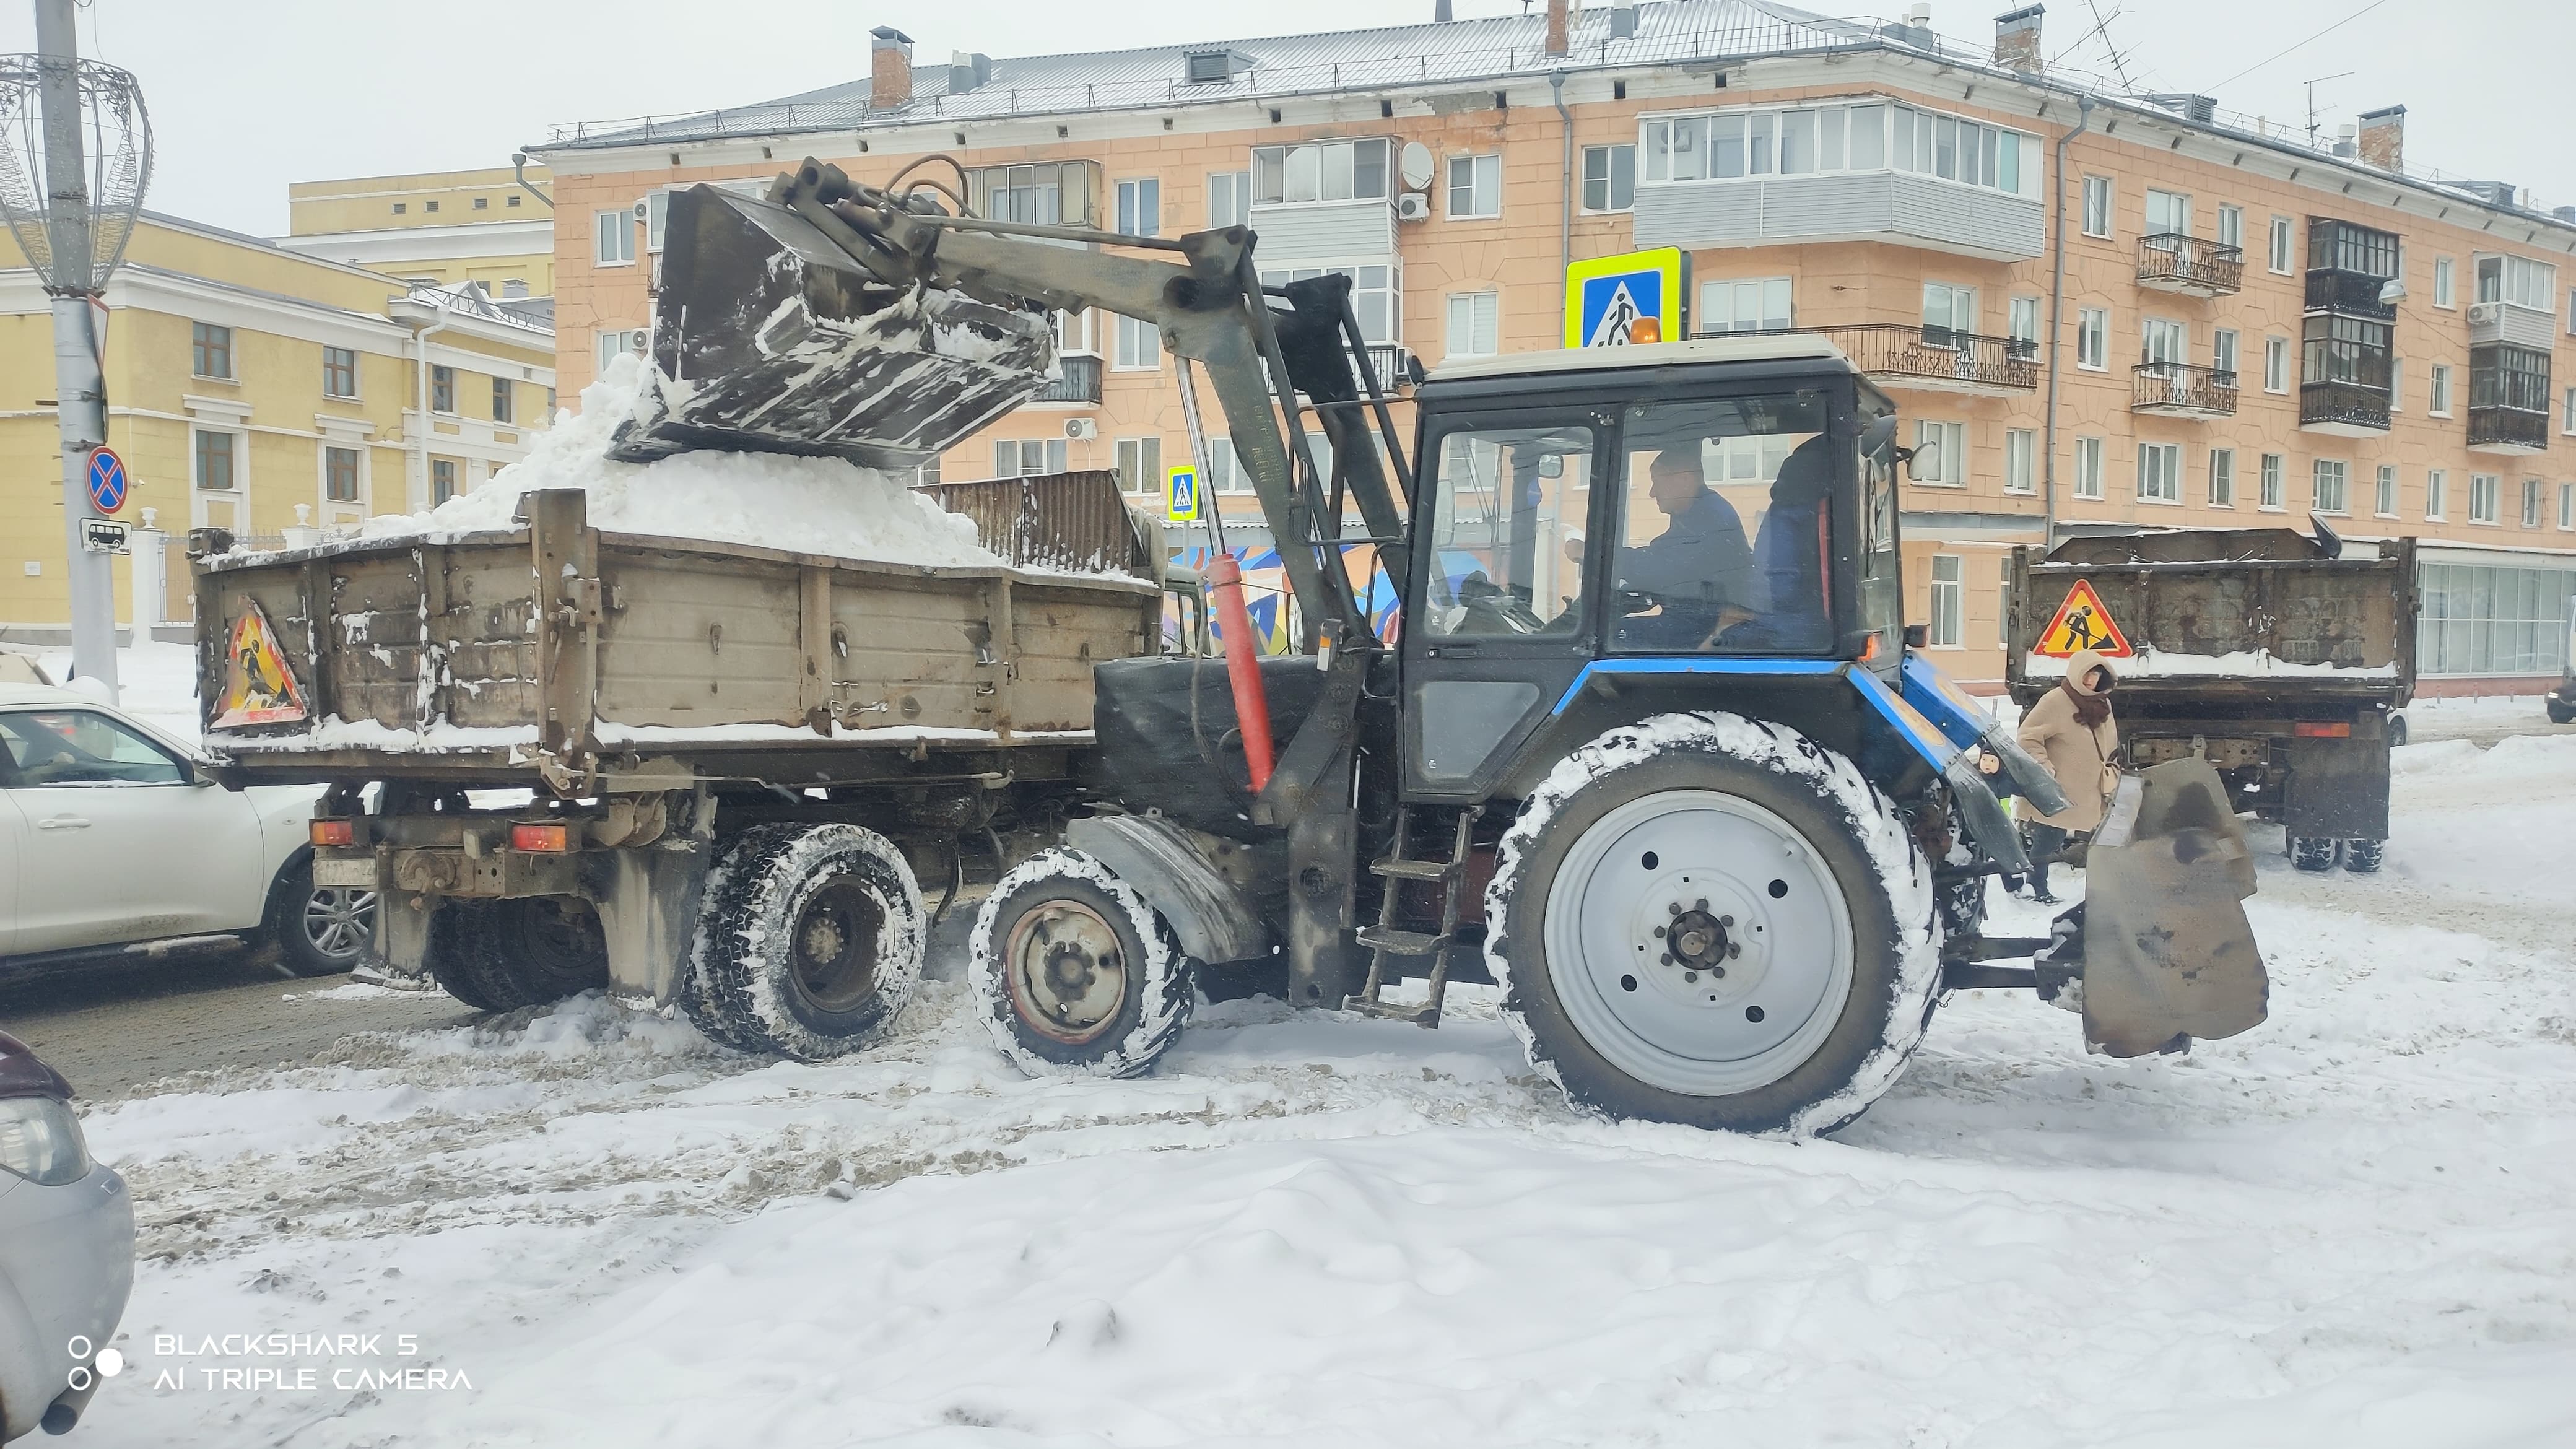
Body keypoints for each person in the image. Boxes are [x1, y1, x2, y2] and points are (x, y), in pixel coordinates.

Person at [1612, 446, 1757, 649]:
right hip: (1695, 617)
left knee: (1611, 635)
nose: (1652, 493)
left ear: (1684, 479)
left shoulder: (1711, 518)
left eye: (1656, 481)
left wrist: (1598, 557)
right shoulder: (1697, 514)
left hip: (1703, 623)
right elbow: (1665, 562)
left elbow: (1661, 569)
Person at [2009, 647, 2121, 903]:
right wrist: (2045, 767)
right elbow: (2028, 737)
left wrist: (2113, 765)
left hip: (2095, 785)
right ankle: (2036, 887)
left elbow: (2108, 740)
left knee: (2103, 836)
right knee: (2049, 838)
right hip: (2061, 788)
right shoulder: (2055, 701)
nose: (2091, 680)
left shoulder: (2102, 703)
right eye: (2088, 674)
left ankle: (2106, 891)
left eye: (2097, 675)